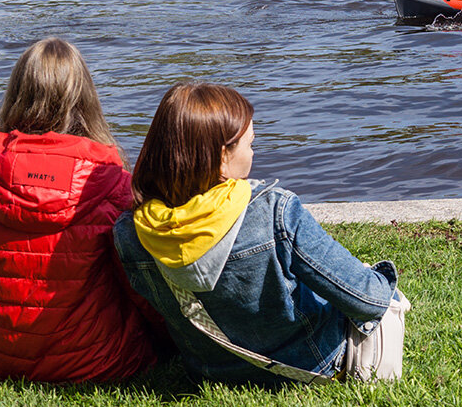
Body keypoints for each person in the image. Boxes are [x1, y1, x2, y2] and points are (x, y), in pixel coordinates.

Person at [114, 83, 409, 387]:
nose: (254, 152)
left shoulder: (132, 233)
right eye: (249, 144)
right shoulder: (274, 211)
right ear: (222, 157)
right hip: (311, 362)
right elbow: (369, 302)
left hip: (208, 373)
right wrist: (379, 278)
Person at [0, 38, 166, 383]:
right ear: (85, 98)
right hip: (101, 363)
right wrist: (167, 340)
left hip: (3, 361)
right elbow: (139, 291)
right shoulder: (113, 186)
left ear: (16, 93)